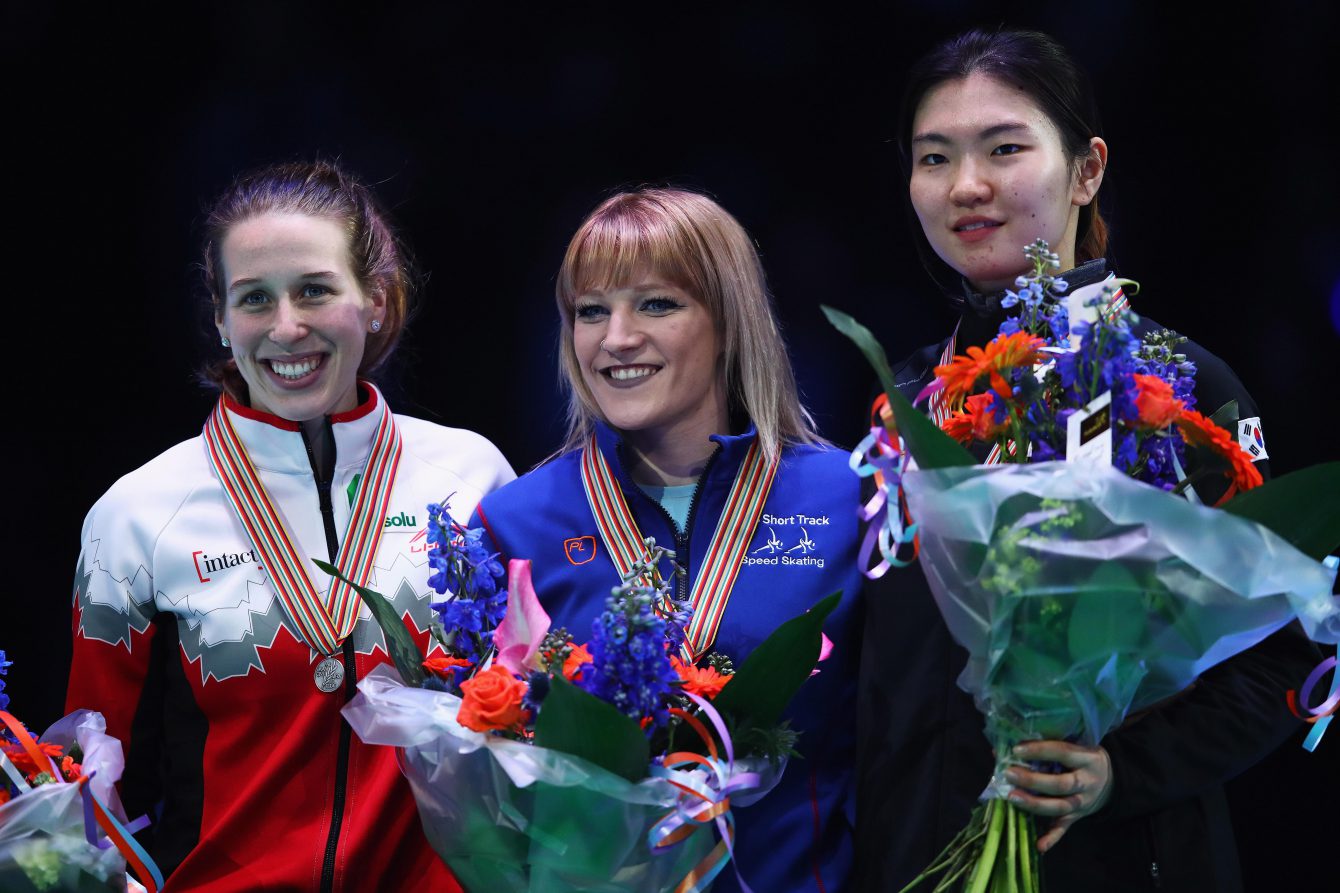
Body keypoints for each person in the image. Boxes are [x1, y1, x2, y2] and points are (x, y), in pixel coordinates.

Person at [854, 28, 1316, 893]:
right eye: (934, 157)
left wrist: (1124, 772)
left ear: (1087, 169)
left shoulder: (1176, 389)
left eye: (1004, 148)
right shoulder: (901, 401)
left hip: (1119, 860)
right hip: (917, 862)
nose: (967, 186)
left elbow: (1291, 655)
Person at [65, 161, 515, 891]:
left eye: (314, 290)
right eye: (254, 299)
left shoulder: (473, 479)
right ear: (219, 317)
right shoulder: (139, 514)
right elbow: (92, 784)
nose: (285, 327)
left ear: (374, 299)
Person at [470, 188, 864, 892]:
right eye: (591, 311)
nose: (616, 337)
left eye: (656, 303)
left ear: (727, 319)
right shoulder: (513, 524)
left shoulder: (847, 498)